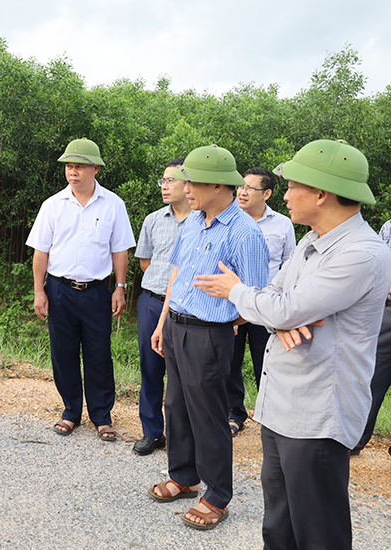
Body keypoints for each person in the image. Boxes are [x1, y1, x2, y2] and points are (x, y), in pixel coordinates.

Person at [194, 139, 391, 549]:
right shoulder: (310, 241)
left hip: (317, 416)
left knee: (318, 532)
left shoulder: (361, 253)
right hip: (283, 406)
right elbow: (277, 298)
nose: (284, 194)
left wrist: (239, 293)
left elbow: (281, 305)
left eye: (293, 185)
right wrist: (279, 315)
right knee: (279, 526)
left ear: (321, 193)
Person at [147, 145, 269, 530]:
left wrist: (224, 323)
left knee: (209, 416)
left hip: (209, 335)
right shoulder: (193, 222)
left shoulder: (245, 232)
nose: (185, 190)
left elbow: (256, 298)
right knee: (177, 407)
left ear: (218, 185)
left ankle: (217, 495)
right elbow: (177, 275)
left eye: (192, 183)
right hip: (176, 325)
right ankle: (183, 476)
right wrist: (163, 323)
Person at [26, 138, 135, 441]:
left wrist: (120, 287)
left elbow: (120, 251)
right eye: (69, 166)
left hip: (98, 290)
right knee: (64, 352)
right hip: (59, 289)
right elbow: (41, 253)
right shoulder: (53, 205)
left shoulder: (113, 204)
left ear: (95, 168)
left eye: (80, 166)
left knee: (99, 353)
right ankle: (71, 411)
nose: (73, 172)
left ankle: (102, 415)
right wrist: (39, 291)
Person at [227, 167, 296, 436]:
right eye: (241, 187)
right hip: (233, 303)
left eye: (250, 188)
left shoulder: (282, 224)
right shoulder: (229, 220)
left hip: (267, 306)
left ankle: (271, 417)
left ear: (267, 193)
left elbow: (289, 266)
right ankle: (235, 413)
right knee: (230, 361)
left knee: (267, 362)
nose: (242, 192)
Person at [132, 157, 191, 455]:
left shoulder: (202, 220)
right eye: (163, 181)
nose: (165, 186)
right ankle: (152, 432)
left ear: (188, 184)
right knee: (151, 369)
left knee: (183, 375)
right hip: (152, 302)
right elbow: (146, 263)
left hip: (189, 310)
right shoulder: (153, 219)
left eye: (171, 181)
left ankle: (183, 438)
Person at [351, 217, 391, 456]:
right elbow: (379, 262)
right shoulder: (389, 226)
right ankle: (354, 439)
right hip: (386, 310)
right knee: (372, 378)